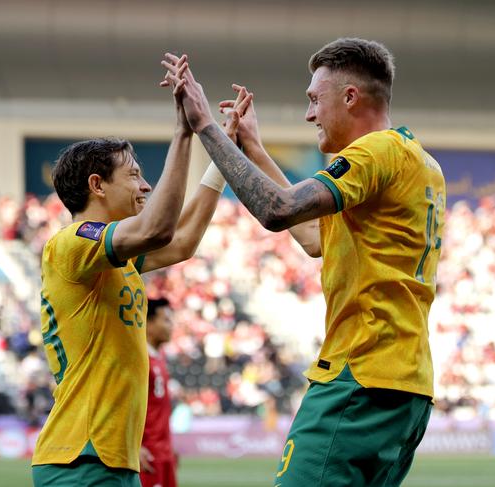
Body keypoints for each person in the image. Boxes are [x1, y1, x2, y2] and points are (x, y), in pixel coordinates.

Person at [163, 37, 445, 486]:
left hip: (359, 377)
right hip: (407, 388)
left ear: (350, 97)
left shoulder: (375, 152)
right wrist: (253, 146)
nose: (309, 114)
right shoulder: (421, 162)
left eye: (315, 100)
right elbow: (314, 238)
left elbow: (279, 210)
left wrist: (204, 126)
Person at [32, 56, 251, 486]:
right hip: (80, 459)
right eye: (134, 176)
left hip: (109, 460)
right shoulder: (71, 242)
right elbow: (159, 227)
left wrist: (223, 148)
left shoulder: (115, 259)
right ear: (97, 185)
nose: (146, 186)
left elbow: (183, 239)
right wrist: (183, 132)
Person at [139, 297, 177, 487]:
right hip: (147, 453)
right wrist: (134, 446)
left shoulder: (159, 356)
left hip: (164, 452)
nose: (172, 326)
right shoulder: (138, 359)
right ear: (149, 323)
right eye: (166, 320)